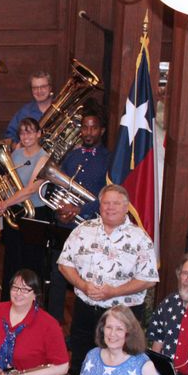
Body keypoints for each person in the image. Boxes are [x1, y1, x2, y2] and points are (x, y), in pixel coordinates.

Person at [57, 184, 158, 375]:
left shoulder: (140, 238)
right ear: (100, 206)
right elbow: (64, 264)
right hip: (85, 312)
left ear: (126, 207)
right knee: (80, 365)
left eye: (116, 203)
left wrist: (114, 291)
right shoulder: (82, 230)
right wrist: (83, 285)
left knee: (121, 369)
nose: (110, 208)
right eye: (106, 203)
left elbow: (148, 279)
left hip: (123, 315)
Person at [45, 110, 108, 322]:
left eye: (93, 127)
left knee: (86, 279)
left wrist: (81, 210)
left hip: (92, 227)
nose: (88, 132)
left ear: (102, 131)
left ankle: (80, 329)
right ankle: (53, 324)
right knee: (58, 275)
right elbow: (57, 186)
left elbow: (109, 195)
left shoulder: (108, 159)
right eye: (85, 127)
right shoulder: (71, 156)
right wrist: (60, 209)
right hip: (66, 225)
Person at [0, 117, 52, 297]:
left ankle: (31, 303)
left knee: (31, 262)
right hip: (16, 212)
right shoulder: (16, 155)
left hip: (36, 214)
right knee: (12, 260)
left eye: (30, 131)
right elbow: (7, 184)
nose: (26, 136)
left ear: (39, 134)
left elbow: (30, 189)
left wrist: (5, 203)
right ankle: (8, 302)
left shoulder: (44, 158)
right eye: (22, 132)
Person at [3, 71, 53, 143]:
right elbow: (10, 136)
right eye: (35, 88)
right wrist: (16, 146)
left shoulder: (62, 108)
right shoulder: (24, 112)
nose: (39, 91)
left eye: (43, 87)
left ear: (50, 87)